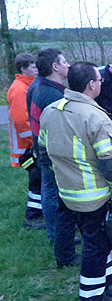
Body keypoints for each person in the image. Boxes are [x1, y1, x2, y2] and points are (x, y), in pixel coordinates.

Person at [39, 61, 112, 301]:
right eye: (99, 81)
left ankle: (110, 282)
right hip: (93, 197)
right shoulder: (95, 117)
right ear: (91, 85)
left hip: (67, 192)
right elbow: (109, 163)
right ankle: (91, 295)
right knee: (95, 246)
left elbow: (43, 153)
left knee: (99, 239)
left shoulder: (52, 110)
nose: (101, 84)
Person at [26, 48, 80, 267]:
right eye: (64, 62)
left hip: (42, 146)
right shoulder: (51, 94)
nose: (68, 65)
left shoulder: (37, 84)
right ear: (55, 67)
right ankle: (58, 236)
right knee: (53, 192)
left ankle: (57, 233)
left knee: (50, 190)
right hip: (51, 149)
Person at [8, 53, 44, 229]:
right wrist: (34, 143)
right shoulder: (19, 89)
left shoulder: (25, 86)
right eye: (33, 67)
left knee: (39, 180)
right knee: (36, 180)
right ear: (23, 68)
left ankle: (38, 213)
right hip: (28, 147)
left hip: (29, 145)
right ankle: (32, 217)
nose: (36, 70)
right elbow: (22, 122)